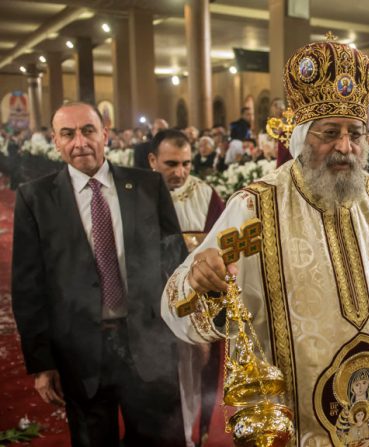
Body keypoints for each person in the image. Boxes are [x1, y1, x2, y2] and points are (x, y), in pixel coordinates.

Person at [161, 37, 369, 446]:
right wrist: (199, 279)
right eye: (329, 132)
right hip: (296, 420)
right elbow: (176, 302)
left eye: (355, 133)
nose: (344, 147)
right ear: (301, 136)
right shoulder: (255, 206)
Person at [12, 102, 186, 446]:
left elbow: (176, 262)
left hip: (149, 347)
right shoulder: (35, 199)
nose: (80, 142)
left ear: (105, 134)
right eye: (68, 134)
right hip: (80, 354)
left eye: (88, 130)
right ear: (55, 141)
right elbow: (28, 286)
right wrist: (41, 362)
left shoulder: (148, 187)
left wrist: (192, 327)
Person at [149, 128, 225, 447]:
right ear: (153, 161)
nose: (180, 172)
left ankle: (196, 434)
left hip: (201, 305)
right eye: (171, 164)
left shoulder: (208, 195)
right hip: (153, 305)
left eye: (187, 164)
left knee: (199, 378)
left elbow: (224, 252)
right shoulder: (138, 194)